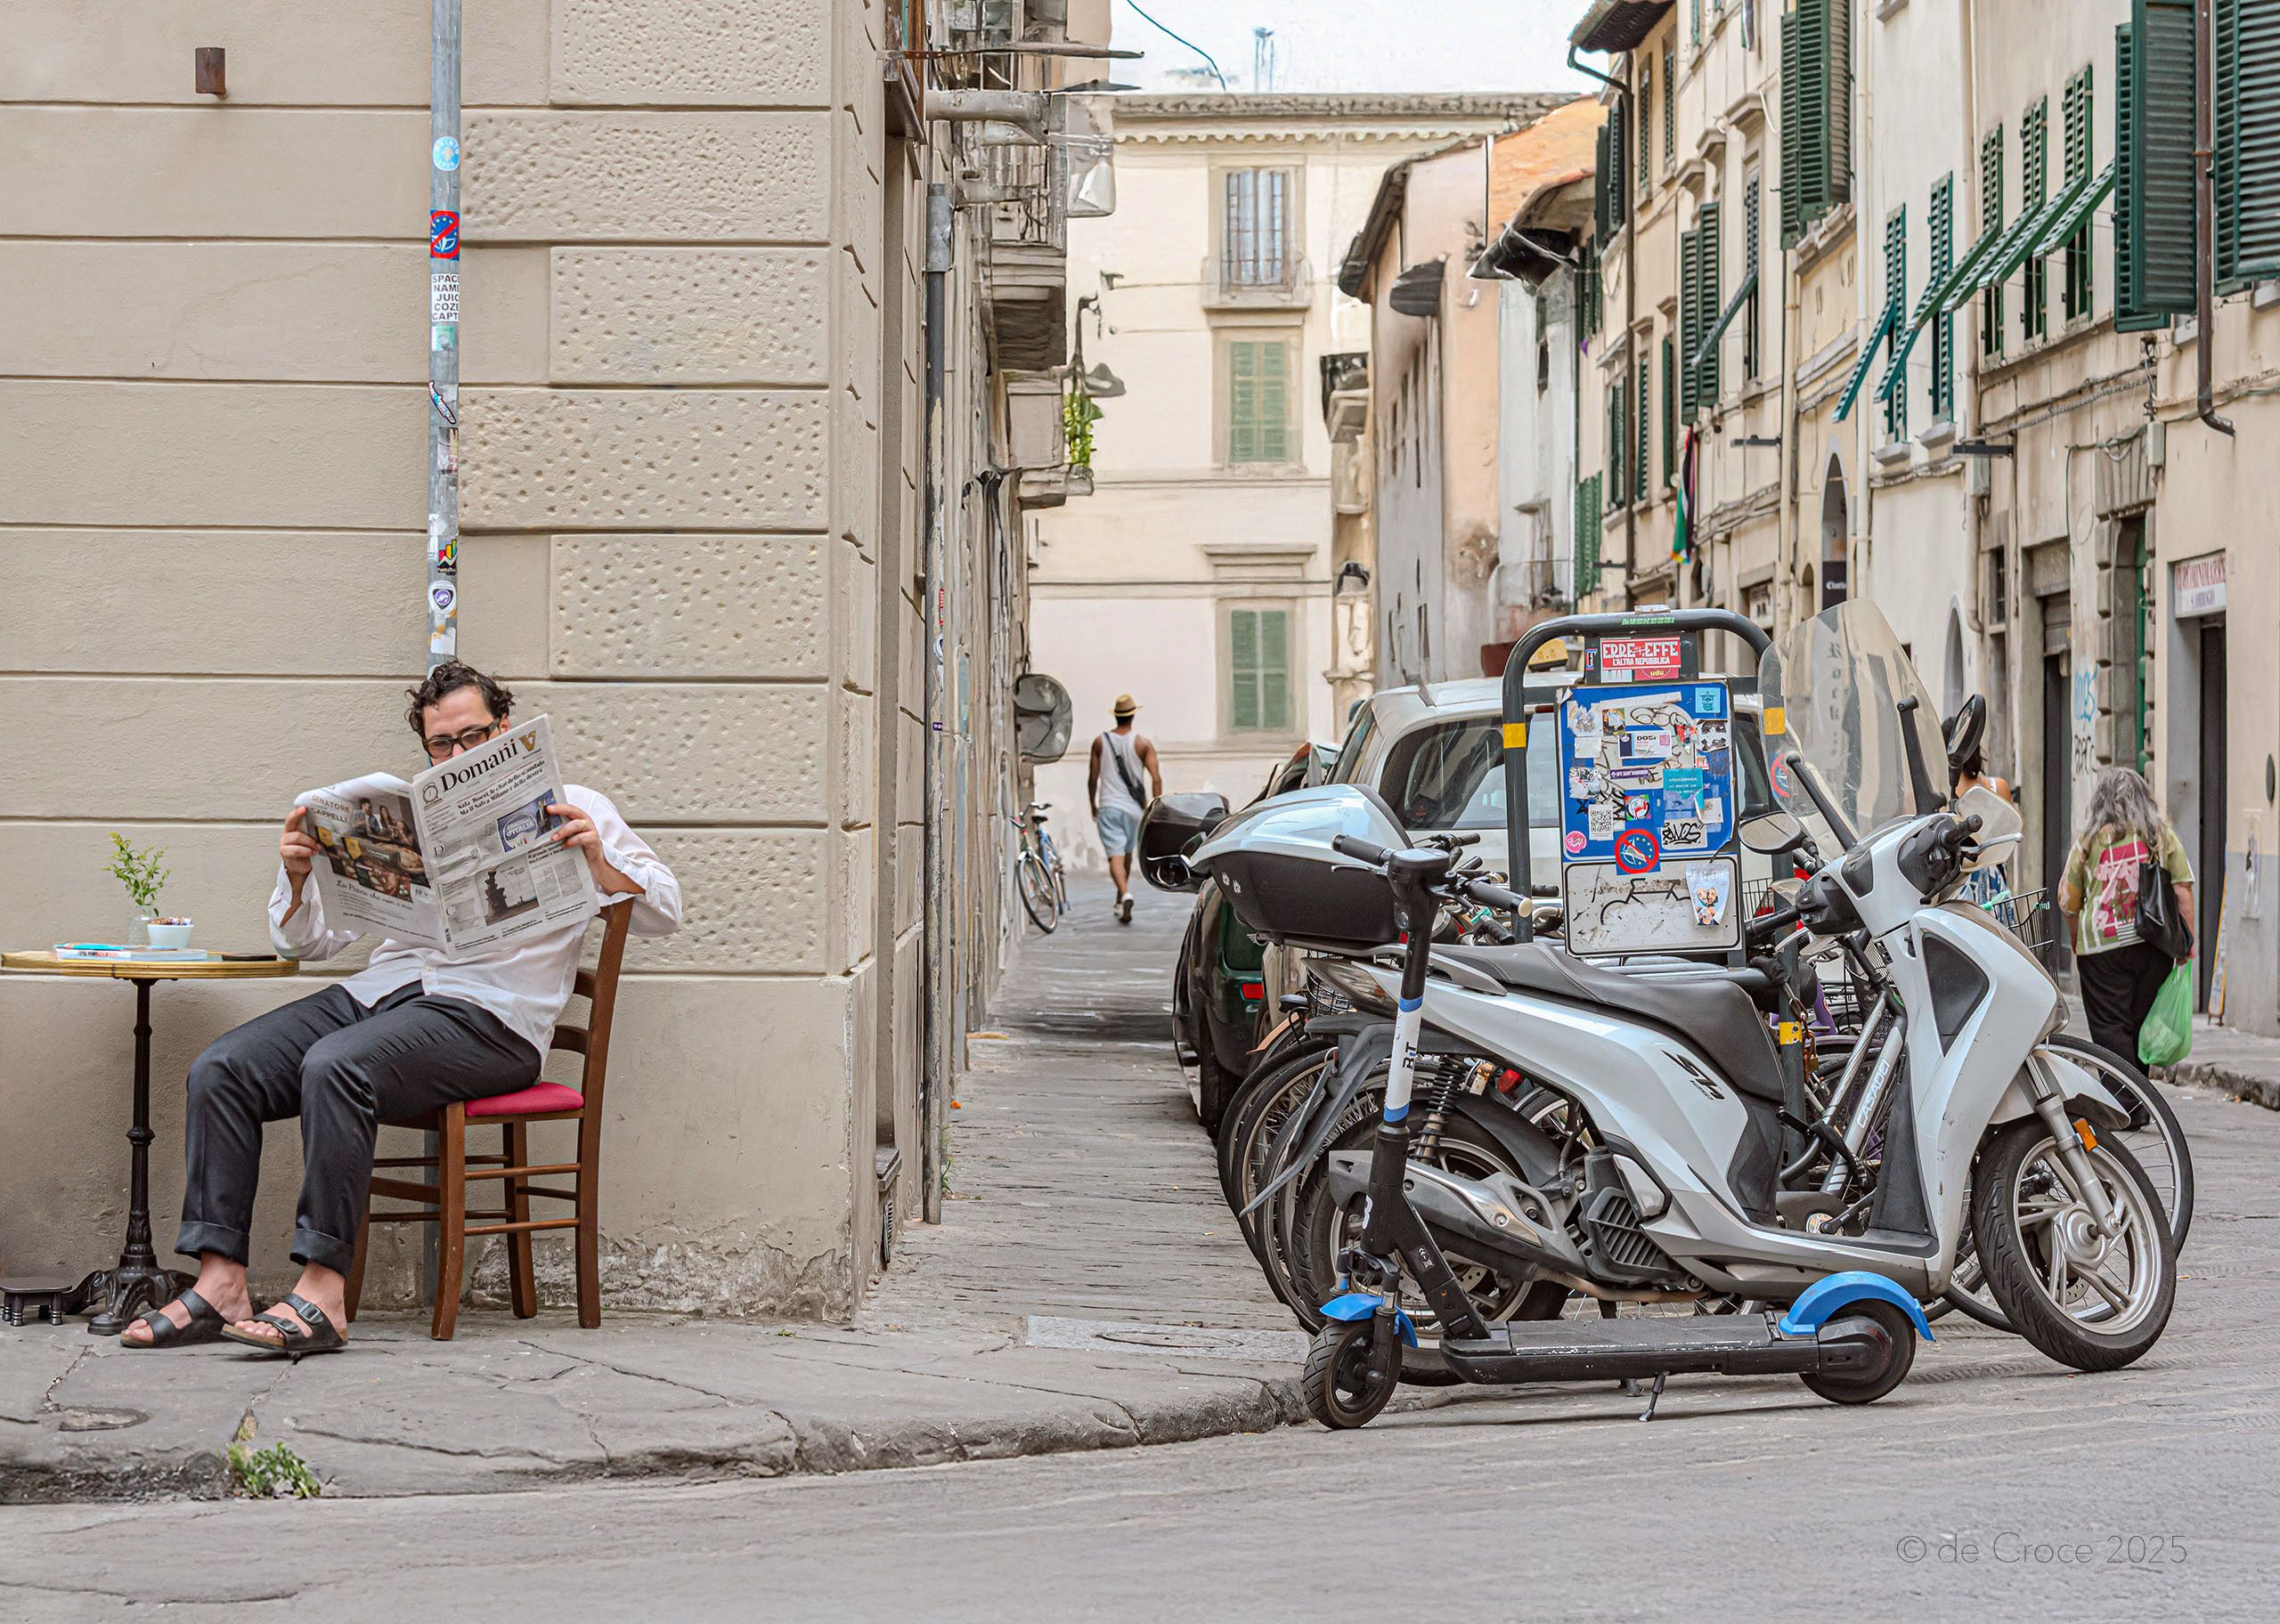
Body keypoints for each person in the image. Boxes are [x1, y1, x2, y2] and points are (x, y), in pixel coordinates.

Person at [121, 661, 683, 1355]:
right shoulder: (413, 817)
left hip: (490, 1020)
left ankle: (323, 1293)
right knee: (223, 1067)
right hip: (382, 995)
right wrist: (299, 877)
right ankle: (220, 1282)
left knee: (336, 1067)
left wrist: (600, 865)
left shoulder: (580, 805)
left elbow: (665, 909)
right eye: (441, 745)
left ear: (505, 728)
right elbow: (312, 942)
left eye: (472, 736)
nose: (458, 755)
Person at [2058, 767, 2193, 1064]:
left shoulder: (2088, 840)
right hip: (2153, 944)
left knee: (2110, 1028)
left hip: (2101, 949)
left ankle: (2126, 1103)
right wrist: (2186, 942)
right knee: (2139, 1026)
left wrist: (2076, 940)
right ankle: (2140, 1102)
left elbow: (2067, 901)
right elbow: (2182, 889)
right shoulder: (2160, 836)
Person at [1087, 693, 1161, 924]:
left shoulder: (1100, 741)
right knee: (1126, 854)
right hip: (1134, 811)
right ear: (1132, 716)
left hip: (1109, 807)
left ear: (1116, 716)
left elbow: (1093, 777)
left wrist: (1093, 802)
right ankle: (1121, 898)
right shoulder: (1142, 744)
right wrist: (1155, 807)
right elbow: (1156, 778)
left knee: (1115, 857)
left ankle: (1125, 893)